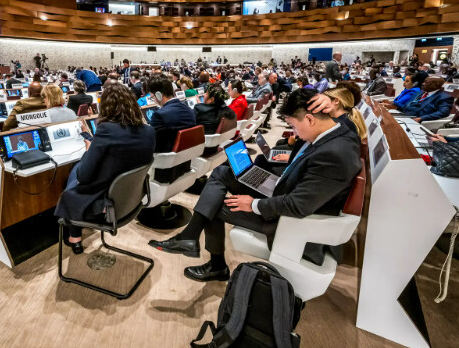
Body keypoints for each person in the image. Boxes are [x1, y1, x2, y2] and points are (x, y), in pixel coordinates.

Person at [149, 88, 362, 281]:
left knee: (216, 204)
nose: (294, 134)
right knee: (223, 172)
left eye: (294, 126)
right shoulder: (339, 128)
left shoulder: (335, 154)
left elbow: (298, 206)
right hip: (282, 188)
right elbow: (344, 120)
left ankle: (216, 266)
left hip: (289, 219)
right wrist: (324, 98)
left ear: (310, 119)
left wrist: (252, 204)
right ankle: (190, 237)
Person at [55, 82, 156, 253]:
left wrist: (89, 148)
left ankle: (74, 237)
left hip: (105, 203)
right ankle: (75, 236)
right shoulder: (149, 131)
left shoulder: (106, 130)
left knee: (75, 174)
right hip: (132, 199)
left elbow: (84, 175)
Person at [145, 74, 198, 152]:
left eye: (152, 97)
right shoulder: (188, 109)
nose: (153, 100)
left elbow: (153, 144)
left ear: (158, 95)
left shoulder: (159, 115)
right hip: (187, 158)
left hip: (167, 160)